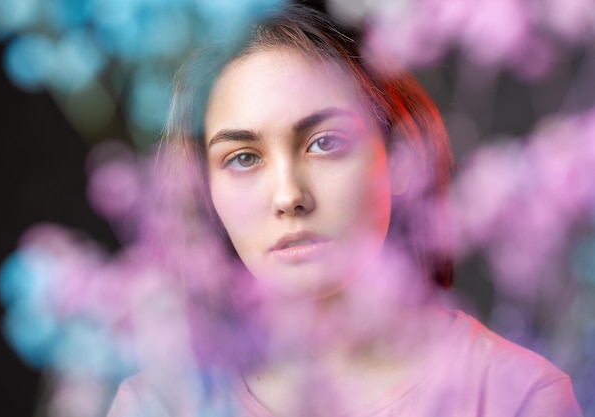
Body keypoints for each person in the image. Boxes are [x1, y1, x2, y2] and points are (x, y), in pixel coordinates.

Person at [107, 3, 582, 416]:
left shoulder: (517, 398)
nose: (288, 195)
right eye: (243, 158)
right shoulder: (157, 406)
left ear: (402, 159)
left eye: (324, 143)